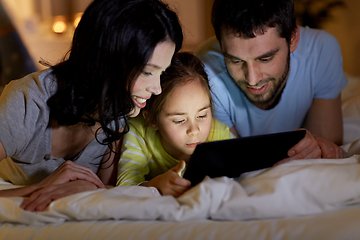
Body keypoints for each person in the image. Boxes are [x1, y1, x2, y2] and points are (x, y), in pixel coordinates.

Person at [0, 0, 183, 211]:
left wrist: (87, 186)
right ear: (106, 61)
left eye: (161, 72)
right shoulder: (28, 102)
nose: (157, 89)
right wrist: (41, 187)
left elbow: (108, 187)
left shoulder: (121, 109)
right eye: (148, 72)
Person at [195, 0, 347, 161]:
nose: (252, 80)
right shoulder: (203, 74)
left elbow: (327, 149)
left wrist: (316, 147)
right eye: (236, 61)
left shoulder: (321, 51)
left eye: (265, 59)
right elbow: (232, 162)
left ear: (293, 38)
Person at [116, 52, 234, 197]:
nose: (194, 130)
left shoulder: (218, 132)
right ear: (153, 120)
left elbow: (244, 168)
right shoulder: (139, 132)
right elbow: (125, 187)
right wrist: (156, 185)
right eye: (179, 120)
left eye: (202, 115)